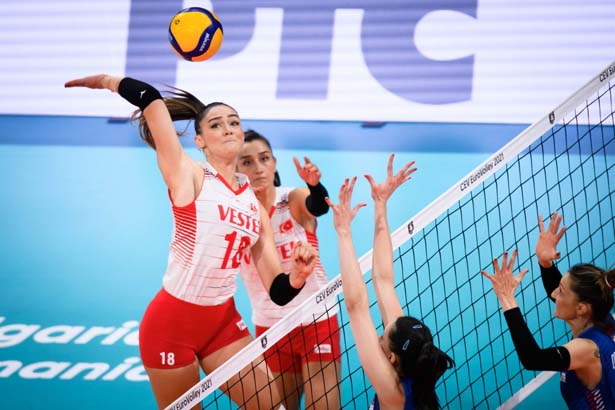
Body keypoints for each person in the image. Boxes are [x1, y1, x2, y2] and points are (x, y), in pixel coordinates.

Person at [65, 75, 317, 410]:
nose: (228, 129)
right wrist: (106, 81)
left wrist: (297, 276)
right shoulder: (188, 174)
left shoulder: (255, 207)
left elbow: (278, 291)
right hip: (171, 325)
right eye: (216, 124)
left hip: (223, 324)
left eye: (234, 122)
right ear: (200, 141)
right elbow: (150, 98)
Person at [326, 154, 454, 410]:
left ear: (392, 358)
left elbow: (356, 307)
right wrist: (380, 204)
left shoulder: (393, 393)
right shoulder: (411, 366)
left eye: (381, 338)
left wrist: (344, 232)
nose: (378, 336)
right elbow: (383, 281)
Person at [236, 130, 341, 410]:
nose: (258, 168)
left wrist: (315, 187)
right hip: (271, 326)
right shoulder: (236, 215)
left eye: (264, 158)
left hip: (316, 320)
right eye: (246, 162)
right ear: (234, 171)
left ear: (274, 162)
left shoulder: (291, 198)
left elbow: (316, 205)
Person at [481, 211, 615, 408]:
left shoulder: (587, 349)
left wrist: (506, 297)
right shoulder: (601, 316)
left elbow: (533, 358)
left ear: (581, 308)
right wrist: (545, 263)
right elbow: (565, 294)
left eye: (561, 291)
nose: (553, 294)